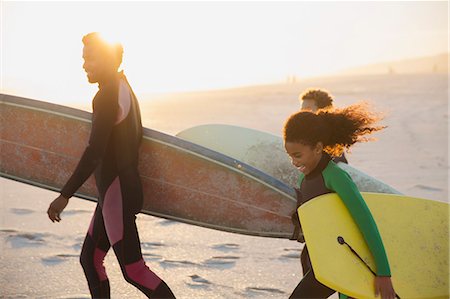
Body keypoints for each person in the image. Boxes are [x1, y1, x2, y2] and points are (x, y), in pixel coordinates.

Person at [47, 32, 175, 299]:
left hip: (117, 193)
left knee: (134, 271)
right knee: (90, 260)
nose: (84, 65)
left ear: (105, 59)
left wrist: (64, 195)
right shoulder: (123, 86)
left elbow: (95, 152)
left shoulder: (106, 96)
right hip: (116, 191)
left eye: (89, 59)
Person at [283, 103, 396, 299]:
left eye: (298, 155)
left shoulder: (336, 178)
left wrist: (384, 272)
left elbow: (366, 222)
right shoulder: (303, 179)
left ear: (318, 148)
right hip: (316, 257)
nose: (294, 162)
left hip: (344, 259)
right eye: (290, 156)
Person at [299, 88, 348, 164]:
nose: (302, 113)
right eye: (302, 110)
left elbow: (339, 163)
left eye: (307, 109)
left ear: (323, 111)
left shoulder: (330, 137)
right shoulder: (305, 133)